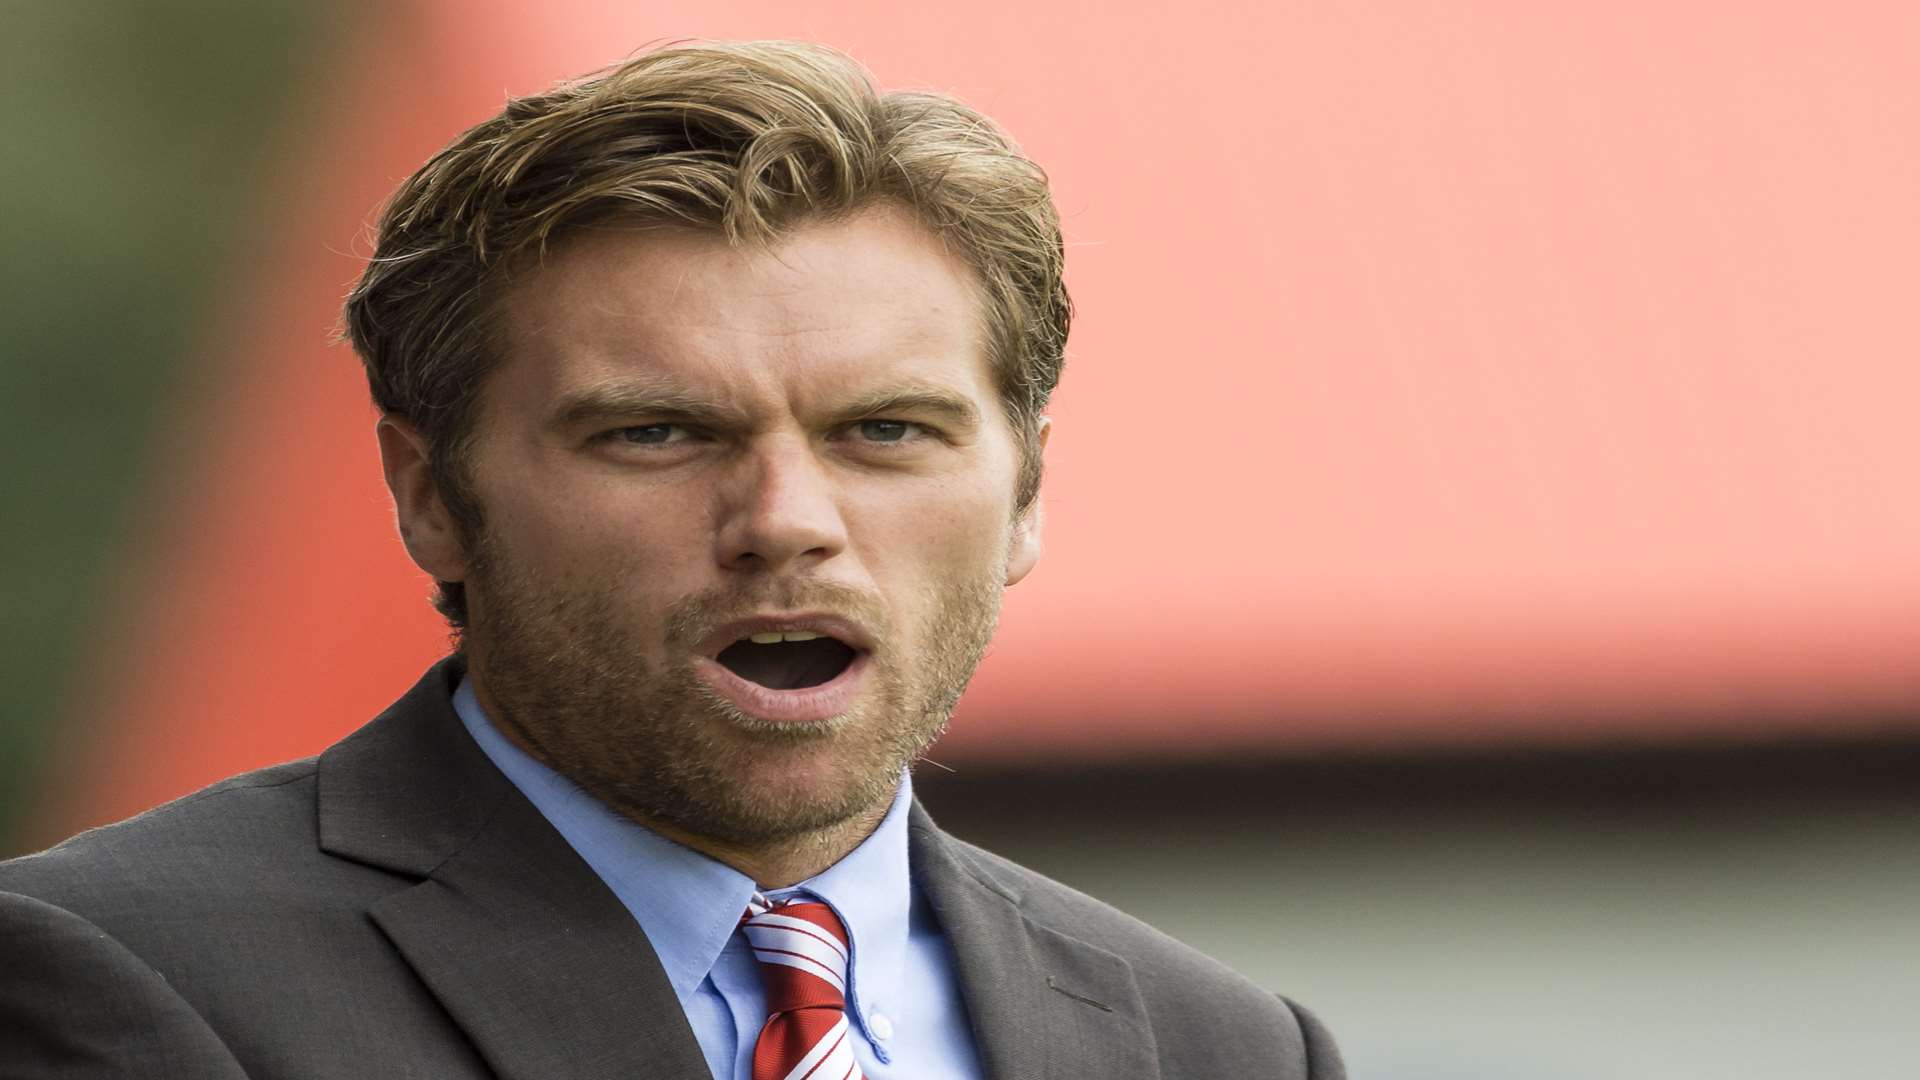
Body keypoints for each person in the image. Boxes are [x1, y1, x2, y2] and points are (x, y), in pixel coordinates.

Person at [0, 41, 1343, 1079]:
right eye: (656, 433)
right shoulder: (123, 978)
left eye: (885, 430)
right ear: (432, 497)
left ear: (1029, 487)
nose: (786, 518)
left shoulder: (1222, 1048)